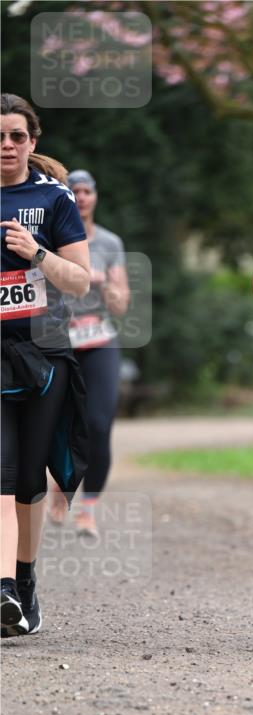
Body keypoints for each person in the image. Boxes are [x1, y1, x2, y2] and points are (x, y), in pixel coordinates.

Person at [1, 94, 90, 637]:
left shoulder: (52, 199)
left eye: (16, 136)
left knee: (31, 482)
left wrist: (36, 253)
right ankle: (4, 589)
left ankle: (26, 579)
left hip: (44, 355)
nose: (6, 146)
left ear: (33, 142)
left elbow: (80, 280)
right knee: (1, 477)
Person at [48, 169, 129, 537]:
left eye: (86, 192)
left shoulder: (110, 243)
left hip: (99, 341)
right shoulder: (52, 237)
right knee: (57, 426)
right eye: (73, 191)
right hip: (60, 342)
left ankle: (88, 510)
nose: (80, 198)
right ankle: (59, 489)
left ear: (95, 197)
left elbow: (121, 304)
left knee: (98, 425)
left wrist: (107, 287)